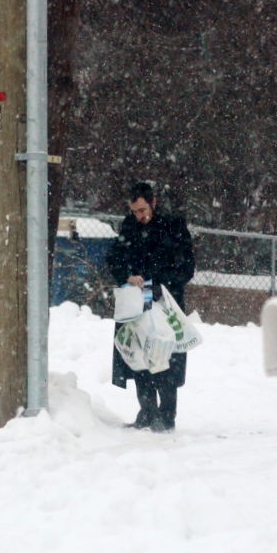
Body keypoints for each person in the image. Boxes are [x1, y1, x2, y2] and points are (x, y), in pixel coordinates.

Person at [106, 181, 195, 432]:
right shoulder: (130, 226)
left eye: (143, 210)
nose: (139, 216)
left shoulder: (173, 227)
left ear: (153, 203)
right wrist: (127, 275)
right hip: (136, 303)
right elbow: (114, 257)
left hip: (165, 302)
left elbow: (186, 267)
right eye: (135, 211)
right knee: (138, 356)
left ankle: (167, 415)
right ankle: (146, 410)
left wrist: (159, 284)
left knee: (165, 357)